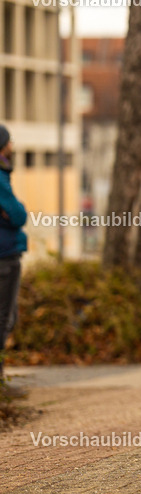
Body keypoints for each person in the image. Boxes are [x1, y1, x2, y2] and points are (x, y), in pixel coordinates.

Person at [0, 125, 27, 399]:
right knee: (4, 319)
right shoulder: (0, 177)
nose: (12, 147)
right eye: (8, 143)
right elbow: (18, 215)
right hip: (5, 255)